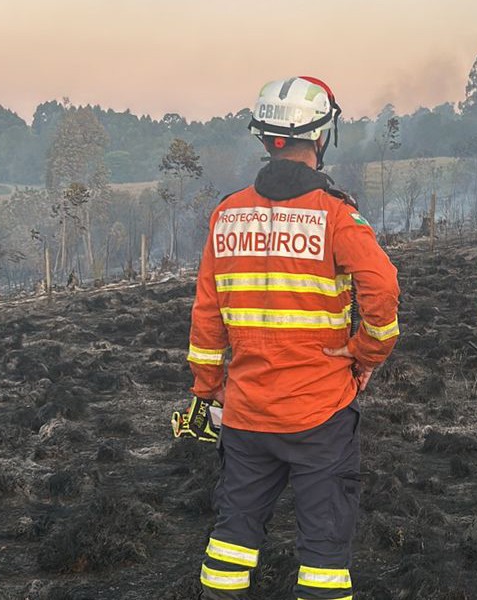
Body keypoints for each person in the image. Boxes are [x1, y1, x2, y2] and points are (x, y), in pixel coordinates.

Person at [186, 76, 400, 600]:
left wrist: (208, 388)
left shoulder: (227, 213)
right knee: (324, 554)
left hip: (245, 412)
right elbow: (383, 288)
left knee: (232, 541)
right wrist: (365, 353)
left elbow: (207, 315)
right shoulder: (336, 215)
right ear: (322, 135)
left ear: (264, 138)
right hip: (320, 412)